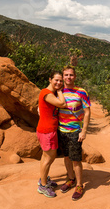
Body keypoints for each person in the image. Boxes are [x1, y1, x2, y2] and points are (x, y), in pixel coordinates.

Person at [58, 66, 91, 201]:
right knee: (66, 157)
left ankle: (79, 185)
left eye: (71, 75)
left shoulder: (81, 92)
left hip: (75, 131)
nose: (68, 78)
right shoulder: (58, 91)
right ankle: (70, 179)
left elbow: (87, 112)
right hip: (61, 130)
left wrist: (84, 131)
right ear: (63, 76)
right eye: (66, 75)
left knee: (76, 159)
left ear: (75, 77)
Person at [36, 70, 67, 198]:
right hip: (47, 130)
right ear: (50, 79)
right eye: (56, 80)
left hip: (48, 129)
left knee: (46, 157)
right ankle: (43, 186)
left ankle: (43, 179)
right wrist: (60, 91)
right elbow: (62, 104)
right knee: (49, 158)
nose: (59, 82)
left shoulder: (49, 93)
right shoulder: (47, 93)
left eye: (61, 81)